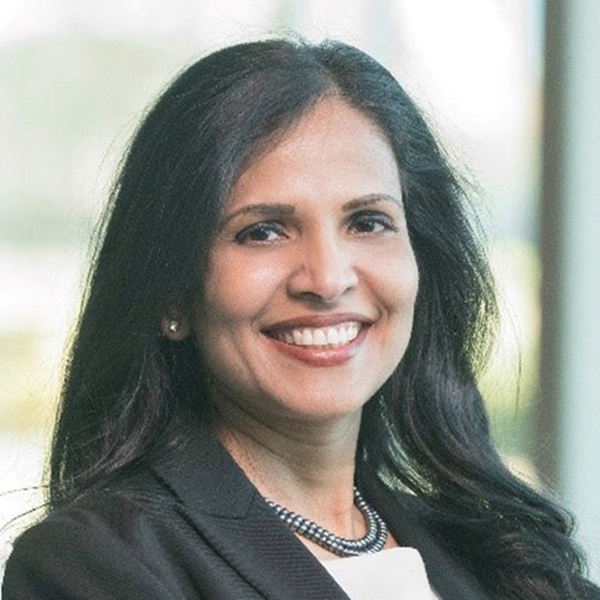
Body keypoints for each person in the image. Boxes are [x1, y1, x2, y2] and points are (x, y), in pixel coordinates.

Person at [2, 38, 598, 600]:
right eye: (263, 231)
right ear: (174, 296)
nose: (328, 278)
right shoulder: (93, 564)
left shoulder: (499, 558)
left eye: (367, 222)